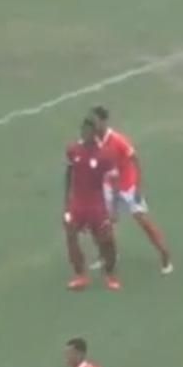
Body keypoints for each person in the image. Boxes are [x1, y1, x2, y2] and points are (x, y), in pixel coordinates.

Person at [90, 106, 173, 274]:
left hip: (127, 186)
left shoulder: (118, 140)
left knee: (143, 221)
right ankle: (109, 254)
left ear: (104, 121)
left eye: (95, 121)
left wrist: (138, 187)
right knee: (103, 224)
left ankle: (165, 256)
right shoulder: (93, 140)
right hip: (109, 187)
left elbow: (134, 160)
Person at [64, 116, 120, 291]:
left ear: (95, 133)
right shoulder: (73, 150)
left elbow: (115, 181)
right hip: (78, 203)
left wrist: (114, 208)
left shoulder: (105, 155)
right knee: (71, 236)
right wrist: (67, 200)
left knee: (106, 241)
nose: (84, 132)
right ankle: (80, 275)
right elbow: (68, 174)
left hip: (97, 205)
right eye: (83, 129)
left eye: (88, 130)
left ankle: (110, 275)